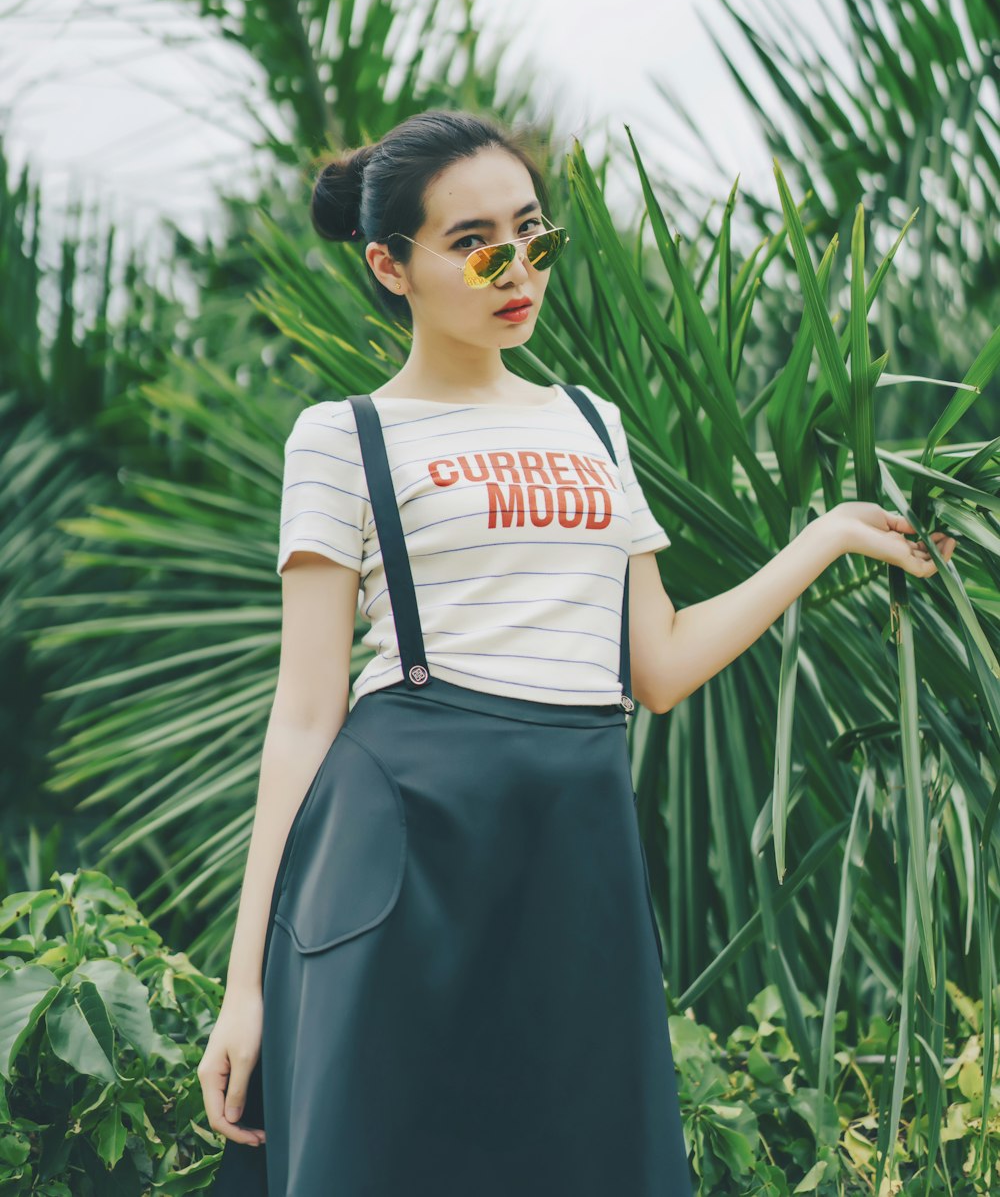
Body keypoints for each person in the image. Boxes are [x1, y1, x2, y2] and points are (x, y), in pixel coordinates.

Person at [198, 108, 957, 1196]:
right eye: (474, 243)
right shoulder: (341, 435)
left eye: (534, 233)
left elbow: (657, 663)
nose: (518, 268)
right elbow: (305, 715)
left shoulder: (590, 424)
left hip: (573, 839)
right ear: (389, 264)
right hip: (398, 840)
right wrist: (245, 987)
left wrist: (824, 537)